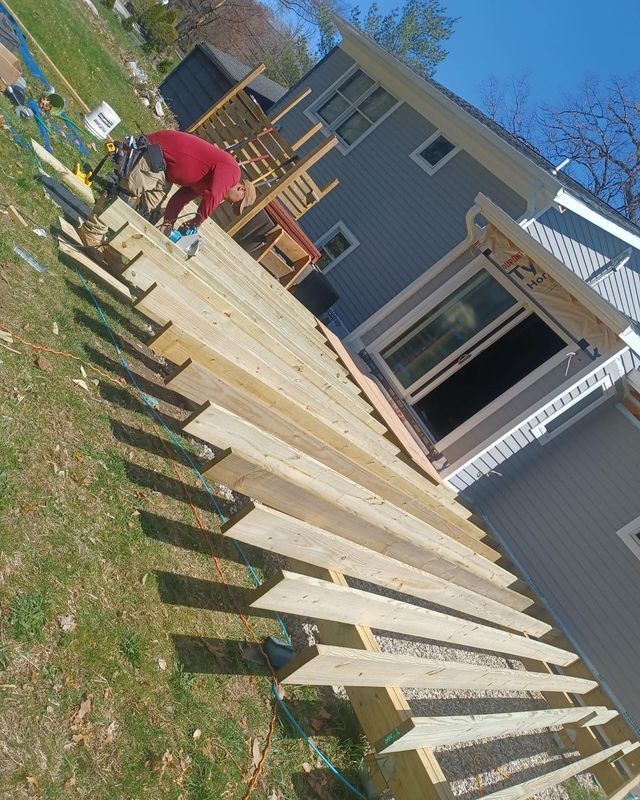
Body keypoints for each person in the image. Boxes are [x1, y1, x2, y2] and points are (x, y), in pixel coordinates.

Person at [78, 129, 257, 257]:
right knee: (128, 191)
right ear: (241, 189)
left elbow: (180, 198)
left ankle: (114, 246)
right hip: (157, 152)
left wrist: (168, 222)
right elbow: (214, 195)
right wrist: (198, 221)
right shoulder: (233, 172)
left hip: (165, 170)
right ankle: (92, 232)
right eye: (236, 202)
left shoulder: (205, 183)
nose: (230, 203)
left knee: (149, 211)